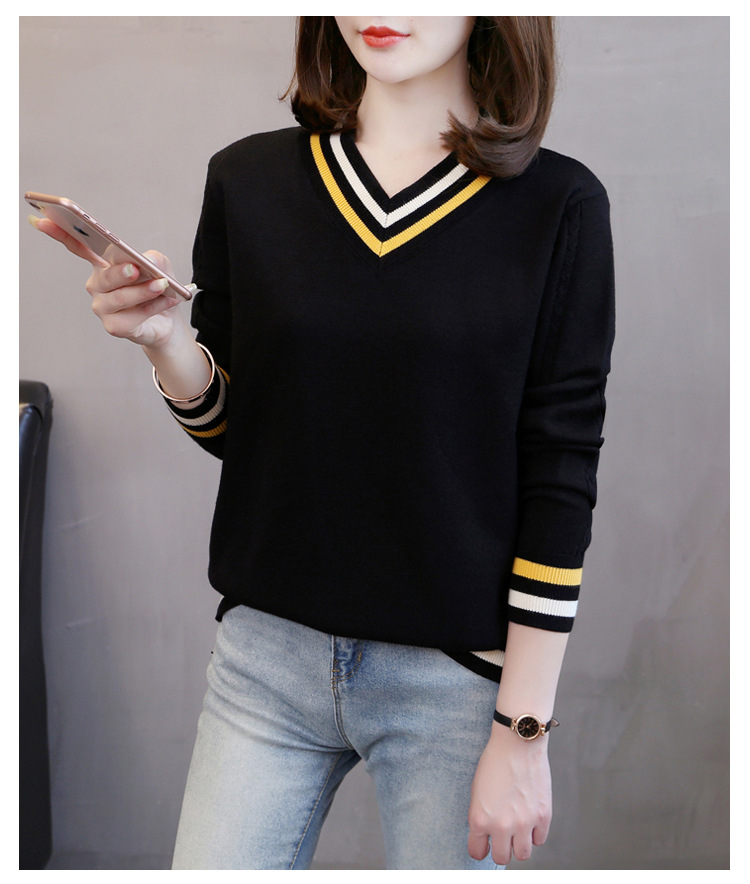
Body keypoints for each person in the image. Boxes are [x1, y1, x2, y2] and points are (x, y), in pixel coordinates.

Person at [30, 16, 615, 870]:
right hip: (266, 662)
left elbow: (561, 476)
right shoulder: (248, 178)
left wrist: (523, 731)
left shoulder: (559, 205)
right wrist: (165, 342)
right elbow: (240, 432)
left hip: (456, 683)